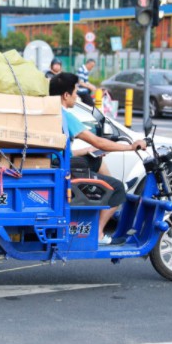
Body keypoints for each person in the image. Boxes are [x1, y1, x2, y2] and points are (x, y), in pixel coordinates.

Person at [50, 72, 146, 245]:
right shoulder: (65, 116)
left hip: (55, 163)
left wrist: (87, 150)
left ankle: (107, 193)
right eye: (75, 92)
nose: (77, 96)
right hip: (61, 167)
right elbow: (98, 141)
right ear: (66, 95)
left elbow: (58, 149)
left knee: (95, 159)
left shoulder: (48, 113)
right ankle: (99, 233)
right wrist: (130, 147)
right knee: (117, 189)